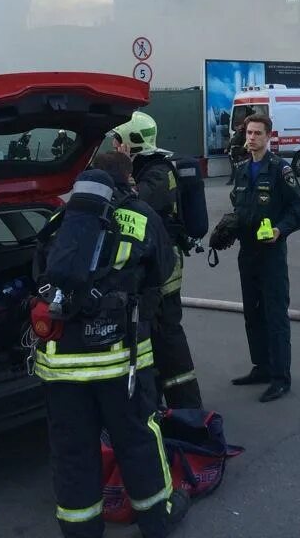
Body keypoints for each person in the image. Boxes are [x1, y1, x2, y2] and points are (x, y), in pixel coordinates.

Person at [32, 159, 190, 538]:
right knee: (137, 437)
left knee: (73, 447)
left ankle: (80, 528)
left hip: (61, 364)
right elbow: (163, 269)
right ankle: (156, 518)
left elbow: (40, 276)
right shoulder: (141, 216)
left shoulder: (62, 221)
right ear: (127, 179)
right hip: (121, 360)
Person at [112, 112, 202, 409]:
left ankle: (188, 408)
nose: (114, 145)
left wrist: (122, 172)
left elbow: (135, 201)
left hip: (164, 267)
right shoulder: (144, 168)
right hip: (149, 265)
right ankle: (157, 404)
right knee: (150, 336)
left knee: (169, 336)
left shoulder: (159, 172)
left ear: (130, 141)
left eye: (117, 140)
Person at [230, 113, 300, 402]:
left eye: (257, 133)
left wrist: (279, 229)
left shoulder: (280, 170)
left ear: (269, 137)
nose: (251, 138)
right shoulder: (240, 169)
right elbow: (239, 207)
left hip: (271, 253)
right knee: (252, 312)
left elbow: (297, 212)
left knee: (275, 315)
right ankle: (261, 366)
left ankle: (280, 377)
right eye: (249, 133)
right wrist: (228, 228)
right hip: (247, 252)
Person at [226, 114, 248, 186]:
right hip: (233, 153)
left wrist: (242, 151)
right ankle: (233, 180)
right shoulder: (235, 133)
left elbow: (245, 144)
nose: (238, 127)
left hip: (238, 152)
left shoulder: (243, 133)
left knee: (236, 167)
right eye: (237, 126)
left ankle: (233, 180)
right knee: (234, 167)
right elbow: (231, 142)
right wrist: (227, 148)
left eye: (239, 125)